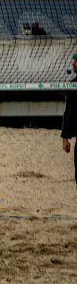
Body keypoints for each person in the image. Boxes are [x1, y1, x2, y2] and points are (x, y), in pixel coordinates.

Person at [61, 52, 77, 223]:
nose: (73, 63)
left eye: (76, 60)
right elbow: (68, 113)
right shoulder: (73, 86)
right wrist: (65, 138)